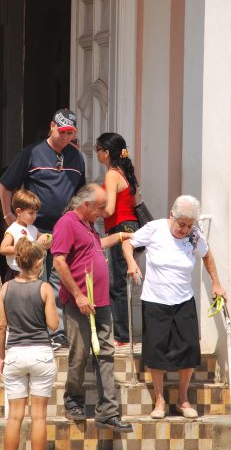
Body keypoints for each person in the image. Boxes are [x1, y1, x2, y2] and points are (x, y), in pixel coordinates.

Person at [122, 195, 227, 419]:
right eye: (182, 224)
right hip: (155, 299)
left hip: (183, 300)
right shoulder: (154, 229)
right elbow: (127, 243)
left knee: (188, 348)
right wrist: (132, 263)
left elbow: (207, 255)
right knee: (156, 349)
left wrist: (216, 283)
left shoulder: (194, 236)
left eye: (190, 225)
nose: (185, 230)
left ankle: (183, 399)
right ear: (172, 215)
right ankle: (159, 400)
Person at [51, 183, 133, 433]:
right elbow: (58, 260)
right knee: (80, 353)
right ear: (85, 205)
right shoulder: (67, 223)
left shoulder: (89, 225)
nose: (103, 213)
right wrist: (77, 295)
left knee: (106, 353)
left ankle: (108, 412)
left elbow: (96, 247)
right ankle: (73, 400)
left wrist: (120, 237)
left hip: (101, 301)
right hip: (79, 303)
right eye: (99, 208)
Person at [0, 109, 86, 346]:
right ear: (51, 126)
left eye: (70, 133)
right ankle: (32, 330)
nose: (66, 137)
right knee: (34, 277)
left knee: (59, 280)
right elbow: (6, 184)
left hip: (64, 230)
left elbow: (80, 194)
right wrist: (8, 214)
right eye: (62, 131)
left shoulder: (77, 158)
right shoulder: (33, 153)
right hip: (35, 231)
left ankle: (56, 331)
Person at [0, 237, 58, 450]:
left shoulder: (5, 289)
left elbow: (1, 327)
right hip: (41, 353)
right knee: (39, 417)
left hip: (14, 353)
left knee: (14, 417)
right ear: (38, 263)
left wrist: (2, 357)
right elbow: (52, 324)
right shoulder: (45, 288)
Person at [95, 133, 139, 346]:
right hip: (130, 227)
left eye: (98, 150)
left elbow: (110, 209)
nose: (96, 154)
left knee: (116, 284)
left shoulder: (112, 175)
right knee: (122, 282)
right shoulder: (126, 172)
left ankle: (122, 335)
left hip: (119, 229)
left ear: (105, 152)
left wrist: (93, 209)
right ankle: (124, 333)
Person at [0, 189, 52, 277]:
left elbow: (42, 238)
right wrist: (25, 249)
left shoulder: (33, 228)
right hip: (17, 272)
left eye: (36, 213)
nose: (34, 217)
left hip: (32, 272)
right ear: (18, 212)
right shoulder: (13, 229)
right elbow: (3, 249)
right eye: (31, 213)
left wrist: (47, 239)